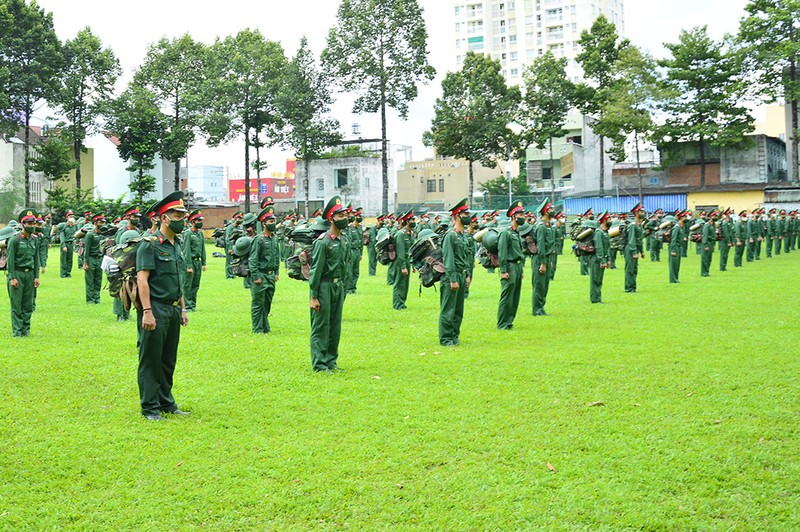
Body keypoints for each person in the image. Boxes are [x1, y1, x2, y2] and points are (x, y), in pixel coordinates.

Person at [135, 190, 190, 421]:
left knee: (168, 358)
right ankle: (150, 407)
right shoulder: (150, 244)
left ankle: (167, 402)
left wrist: (183, 308)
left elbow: (178, 279)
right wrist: (147, 311)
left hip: (173, 309)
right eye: (177, 216)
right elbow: (142, 279)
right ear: (164, 218)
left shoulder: (176, 244)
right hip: (154, 308)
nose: (182, 220)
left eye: (183, 216)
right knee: (151, 359)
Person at [308, 195, 351, 372]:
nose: (345, 219)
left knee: (335, 326)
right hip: (324, 287)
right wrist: (313, 296)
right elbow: (315, 271)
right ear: (331, 218)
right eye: (340, 216)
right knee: (321, 326)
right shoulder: (323, 241)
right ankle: (319, 363)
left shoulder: (344, 241)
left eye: (345, 215)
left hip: (338, 287)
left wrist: (344, 290)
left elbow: (346, 268)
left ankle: (331, 361)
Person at [439, 198, 472, 346]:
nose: (468, 217)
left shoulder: (462, 236)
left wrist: (467, 275)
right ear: (458, 216)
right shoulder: (450, 235)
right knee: (448, 309)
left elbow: (465, 257)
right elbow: (448, 259)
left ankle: (454, 335)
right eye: (465, 214)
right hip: (451, 276)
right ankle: (446, 338)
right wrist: (452, 279)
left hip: (461, 274)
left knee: (458, 310)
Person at [6, 210, 41, 336]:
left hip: (30, 275)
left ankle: (25, 331)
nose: (31, 225)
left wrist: (36, 276)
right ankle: (17, 331)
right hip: (18, 274)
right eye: (29, 223)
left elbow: (36, 259)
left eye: (33, 223)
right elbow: (10, 261)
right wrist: (12, 277)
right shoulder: (14, 240)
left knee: (28, 304)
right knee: (17, 305)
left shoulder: (34, 240)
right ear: (22, 224)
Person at [249, 206, 280, 333]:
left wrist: (276, 272)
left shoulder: (274, 239)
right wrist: (255, 276)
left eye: (274, 221)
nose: (273, 223)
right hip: (261, 275)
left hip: (271, 276)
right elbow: (253, 259)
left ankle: (265, 325)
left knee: (267, 302)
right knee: (258, 303)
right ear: (264, 223)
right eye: (270, 221)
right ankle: (257, 328)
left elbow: (277, 257)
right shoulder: (259, 239)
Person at [497, 202, 524, 329]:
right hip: (509, 266)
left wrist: (522, 268)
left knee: (515, 296)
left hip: (517, 267)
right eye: (520, 214)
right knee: (507, 296)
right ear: (513, 216)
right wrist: (503, 270)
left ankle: (509, 321)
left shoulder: (516, 232)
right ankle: (502, 323)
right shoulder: (505, 233)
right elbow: (502, 253)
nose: (523, 217)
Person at [113, 206, 143, 321]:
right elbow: (117, 248)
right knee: (120, 288)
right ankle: (119, 314)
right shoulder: (122, 231)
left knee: (131, 288)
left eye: (138, 217)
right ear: (128, 217)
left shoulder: (137, 232)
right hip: (121, 263)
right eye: (134, 217)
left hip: (133, 263)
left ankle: (127, 313)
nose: (137, 219)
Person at [532, 199, 555, 316]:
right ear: (545, 211)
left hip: (546, 259)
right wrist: (543, 262)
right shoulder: (541, 227)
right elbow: (540, 246)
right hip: (540, 260)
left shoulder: (548, 226)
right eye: (550, 209)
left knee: (545, 285)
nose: (552, 211)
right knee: (539, 285)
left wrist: (548, 261)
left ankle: (541, 307)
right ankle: (537, 309)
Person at [182, 209, 207, 312]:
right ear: (192, 222)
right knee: (187, 285)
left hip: (198, 262)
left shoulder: (200, 234)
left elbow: (203, 248)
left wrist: (204, 262)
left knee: (196, 285)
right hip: (190, 261)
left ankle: (193, 304)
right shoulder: (188, 233)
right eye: (198, 221)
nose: (200, 223)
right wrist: (188, 265)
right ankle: (187, 305)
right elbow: (186, 250)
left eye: (201, 220)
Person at [391, 210, 414, 310]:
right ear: (407, 221)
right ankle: (397, 304)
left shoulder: (410, 233)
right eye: (412, 219)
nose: (414, 221)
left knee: (405, 284)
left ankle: (402, 303)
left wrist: (413, 265)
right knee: (399, 283)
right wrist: (403, 266)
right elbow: (400, 252)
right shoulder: (401, 234)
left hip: (408, 261)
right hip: (401, 262)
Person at [83, 213, 106, 304]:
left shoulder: (102, 234)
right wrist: (85, 262)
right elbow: (87, 250)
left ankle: (97, 298)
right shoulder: (90, 234)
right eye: (100, 222)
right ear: (95, 222)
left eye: (103, 222)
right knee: (90, 281)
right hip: (91, 259)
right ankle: (90, 300)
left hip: (99, 259)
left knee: (98, 280)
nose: (102, 224)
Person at [589, 211, 611, 304]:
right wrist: (602, 260)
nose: (611, 221)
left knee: (599, 279)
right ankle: (595, 299)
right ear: (604, 221)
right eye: (609, 219)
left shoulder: (605, 232)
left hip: (602, 258)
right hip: (596, 259)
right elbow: (599, 247)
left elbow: (607, 247)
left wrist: (608, 259)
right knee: (595, 280)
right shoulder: (599, 232)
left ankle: (598, 298)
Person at [624, 202, 645, 293]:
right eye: (641, 212)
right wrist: (634, 252)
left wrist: (641, 251)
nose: (643, 213)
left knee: (634, 269)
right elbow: (631, 239)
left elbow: (639, 239)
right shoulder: (633, 225)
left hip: (635, 248)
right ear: (636, 213)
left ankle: (633, 287)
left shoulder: (638, 225)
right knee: (630, 269)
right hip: (630, 248)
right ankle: (629, 288)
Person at [347, 207, 364, 294]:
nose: (360, 217)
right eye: (358, 216)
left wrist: (361, 253)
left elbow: (361, 241)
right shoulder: (350, 228)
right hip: (351, 251)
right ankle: (349, 288)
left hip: (357, 251)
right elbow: (348, 241)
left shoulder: (360, 227)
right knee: (350, 270)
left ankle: (353, 287)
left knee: (356, 271)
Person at [224, 211, 244, 278]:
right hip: (230, 246)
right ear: (235, 219)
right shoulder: (230, 227)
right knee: (229, 260)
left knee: (236, 261)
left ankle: (234, 273)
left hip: (236, 246)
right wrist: (229, 248)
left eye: (241, 218)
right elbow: (227, 238)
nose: (240, 220)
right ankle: (229, 275)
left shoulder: (239, 228)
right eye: (239, 218)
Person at [58, 211, 78, 277]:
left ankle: (68, 273)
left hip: (71, 244)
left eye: (72, 216)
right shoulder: (63, 225)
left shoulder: (74, 226)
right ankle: (63, 274)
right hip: (65, 244)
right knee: (64, 260)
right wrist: (63, 246)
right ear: (67, 218)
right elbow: (62, 237)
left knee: (70, 260)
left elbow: (76, 234)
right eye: (70, 216)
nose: (71, 218)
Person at [700, 210, 717, 277]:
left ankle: (707, 271)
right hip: (707, 243)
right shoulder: (707, 225)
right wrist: (705, 245)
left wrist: (714, 245)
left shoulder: (713, 225)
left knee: (709, 259)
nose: (715, 217)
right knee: (705, 259)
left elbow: (714, 236)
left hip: (711, 243)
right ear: (710, 216)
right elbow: (705, 236)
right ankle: (704, 272)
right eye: (714, 216)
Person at [668, 214, 683, 283]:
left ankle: (676, 278)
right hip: (675, 247)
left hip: (678, 247)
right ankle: (673, 279)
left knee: (677, 264)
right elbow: (673, 239)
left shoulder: (679, 227)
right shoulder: (676, 227)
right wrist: (673, 250)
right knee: (673, 264)